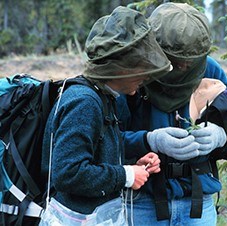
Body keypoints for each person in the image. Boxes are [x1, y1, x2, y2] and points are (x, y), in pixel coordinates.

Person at [121, 3, 227, 225]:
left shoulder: (208, 69)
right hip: (142, 201)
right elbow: (105, 139)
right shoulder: (136, 72)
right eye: (176, 62)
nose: (184, 66)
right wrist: (149, 141)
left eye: (189, 63)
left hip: (198, 203)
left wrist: (219, 136)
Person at [40, 6, 172, 225]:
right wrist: (127, 175)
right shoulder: (85, 102)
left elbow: (95, 153)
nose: (146, 76)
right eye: (141, 68)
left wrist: (133, 165)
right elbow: (68, 173)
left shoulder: (104, 96)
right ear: (120, 68)